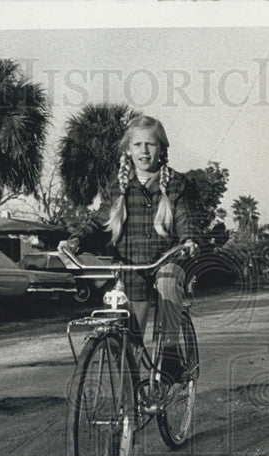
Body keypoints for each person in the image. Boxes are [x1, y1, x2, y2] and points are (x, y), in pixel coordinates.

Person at [67, 115, 198, 380]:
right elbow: (99, 220)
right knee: (131, 340)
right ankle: (131, 404)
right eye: (137, 144)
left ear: (162, 149)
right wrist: (75, 240)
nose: (144, 151)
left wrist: (188, 240)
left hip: (166, 260)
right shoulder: (118, 186)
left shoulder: (176, 183)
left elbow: (185, 217)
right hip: (131, 265)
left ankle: (171, 354)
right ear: (128, 149)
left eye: (151, 144)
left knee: (168, 279)